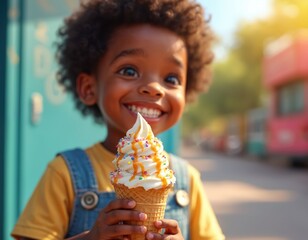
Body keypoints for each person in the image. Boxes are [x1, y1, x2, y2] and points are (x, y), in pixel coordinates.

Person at [12, 0, 225, 239]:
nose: (154, 88)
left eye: (172, 79)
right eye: (129, 71)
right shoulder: (65, 173)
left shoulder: (187, 180)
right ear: (88, 87)